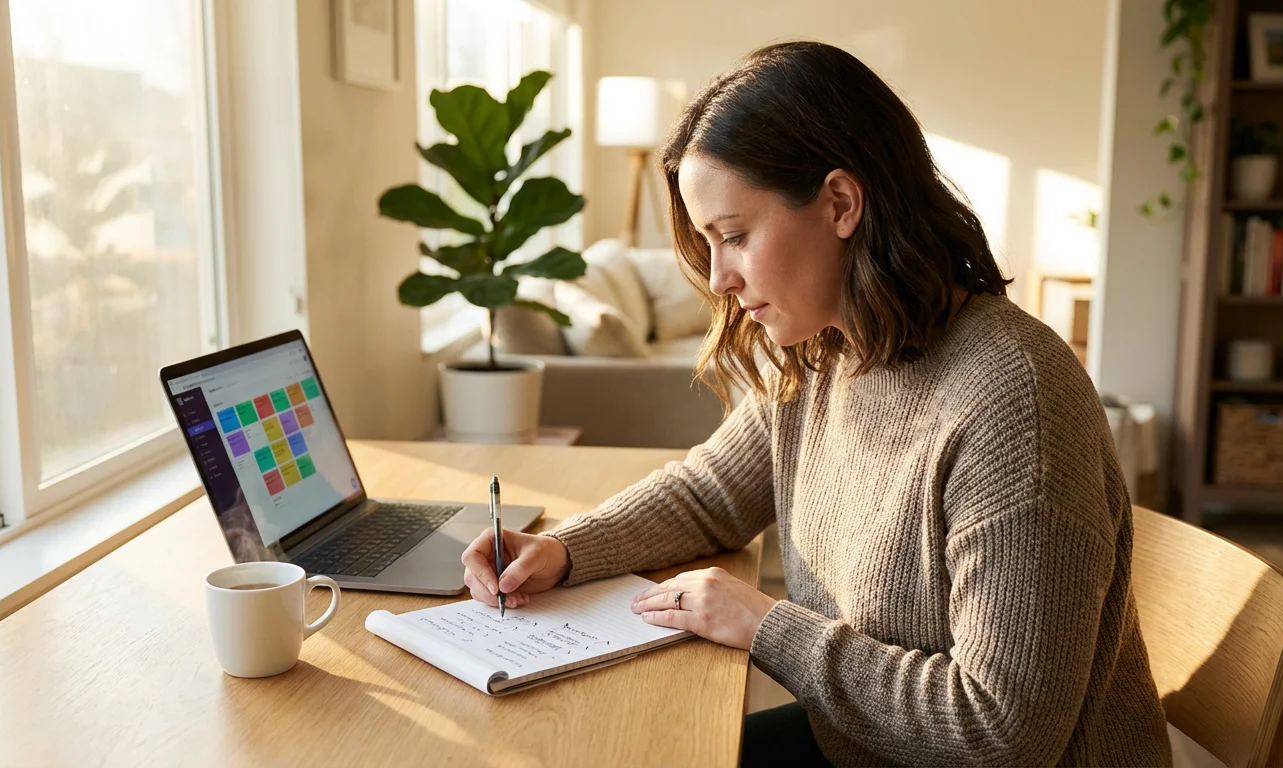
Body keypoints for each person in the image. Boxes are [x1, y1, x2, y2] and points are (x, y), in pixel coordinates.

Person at [462, 40, 1172, 767]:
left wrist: (766, 625)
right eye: (709, 243)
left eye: (734, 236)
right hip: (868, 750)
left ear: (841, 203)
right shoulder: (829, 351)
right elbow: (709, 494)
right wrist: (563, 549)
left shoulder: (1014, 401)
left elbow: (999, 732)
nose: (718, 279)